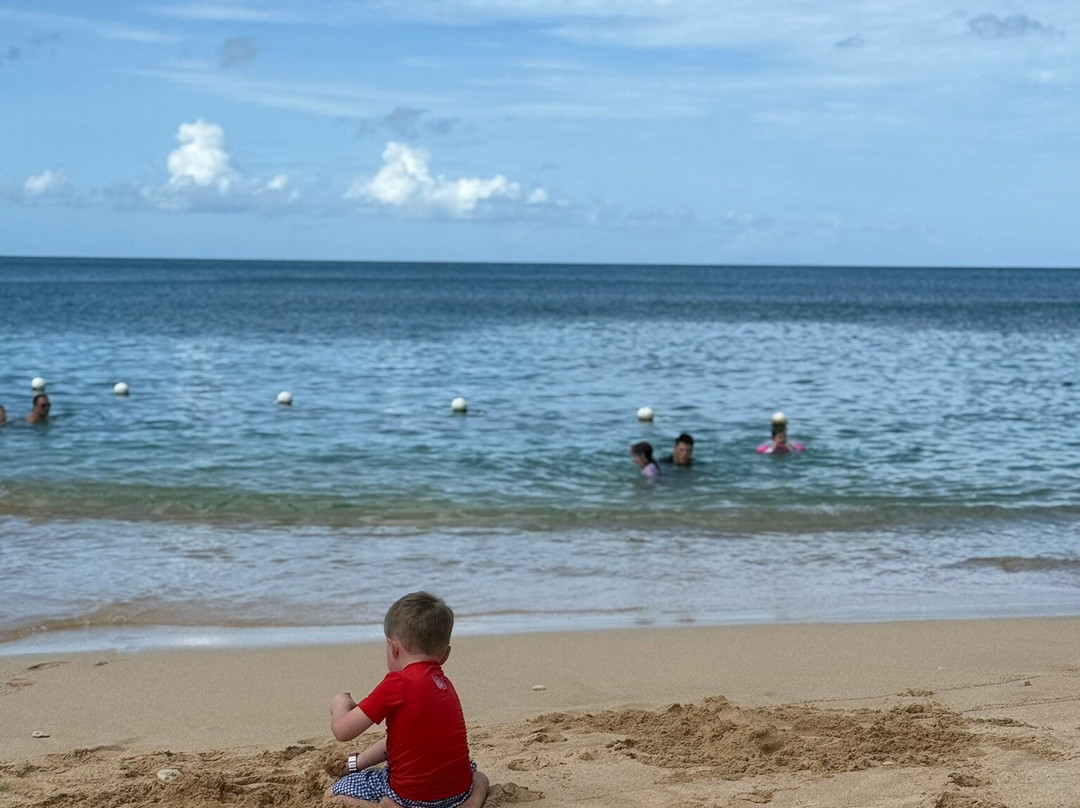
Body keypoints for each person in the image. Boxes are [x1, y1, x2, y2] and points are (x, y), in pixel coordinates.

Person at [326, 592, 489, 808]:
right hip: (457, 792)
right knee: (478, 776)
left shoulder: (397, 684)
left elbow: (343, 730)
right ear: (446, 654)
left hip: (411, 797)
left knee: (332, 795)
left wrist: (339, 703)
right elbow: (402, 741)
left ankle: (388, 805)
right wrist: (356, 763)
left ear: (393, 647)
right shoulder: (444, 685)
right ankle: (472, 802)